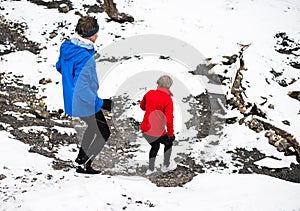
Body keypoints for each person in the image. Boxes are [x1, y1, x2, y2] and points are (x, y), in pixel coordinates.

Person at [56, 16, 113, 174]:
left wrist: (70, 81)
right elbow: (81, 89)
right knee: (103, 132)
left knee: (93, 126)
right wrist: (102, 103)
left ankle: (81, 158)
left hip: (72, 98)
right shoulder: (84, 57)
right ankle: (85, 165)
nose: (97, 36)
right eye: (96, 33)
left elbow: (60, 66)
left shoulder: (67, 46)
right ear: (89, 36)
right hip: (84, 101)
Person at [140, 75, 177, 175]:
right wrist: (171, 134)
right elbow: (169, 119)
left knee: (155, 146)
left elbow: (142, 106)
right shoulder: (167, 99)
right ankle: (166, 165)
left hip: (145, 130)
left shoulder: (149, 93)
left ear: (158, 83)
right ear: (169, 86)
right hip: (157, 131)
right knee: (168, 143)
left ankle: (151, 169)